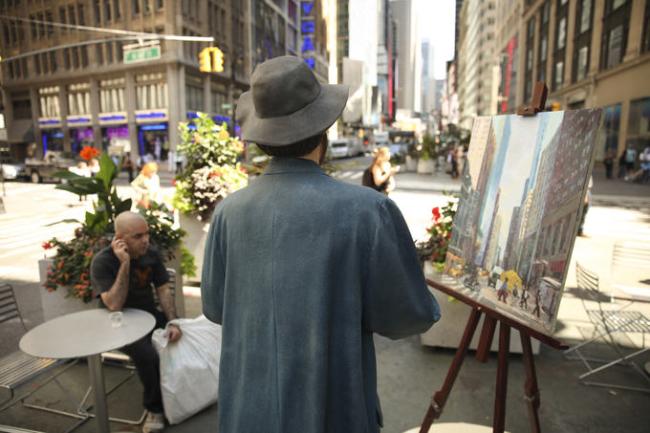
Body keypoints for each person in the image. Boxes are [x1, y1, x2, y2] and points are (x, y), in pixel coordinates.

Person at [201, 56, 440, 433]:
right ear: (324, 131)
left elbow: (215, 307)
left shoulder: (229, 213)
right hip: (332, 411)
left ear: (262, 138)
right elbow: (408, 316)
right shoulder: (369, 210)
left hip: (247, 412)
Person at [90, 212, 182, 433]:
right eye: (138, 236)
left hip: (148, 316)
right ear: (120, 239)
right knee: (148, 355)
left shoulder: (151, 254)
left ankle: (182, 396)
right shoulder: (103, 261)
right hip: (117, 323)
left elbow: (163, 290)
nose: (145, 240)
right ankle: (155, 408)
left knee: (182, 339)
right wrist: (125, 263)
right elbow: (113, 304)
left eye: (147, 234)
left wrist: (174, 323)